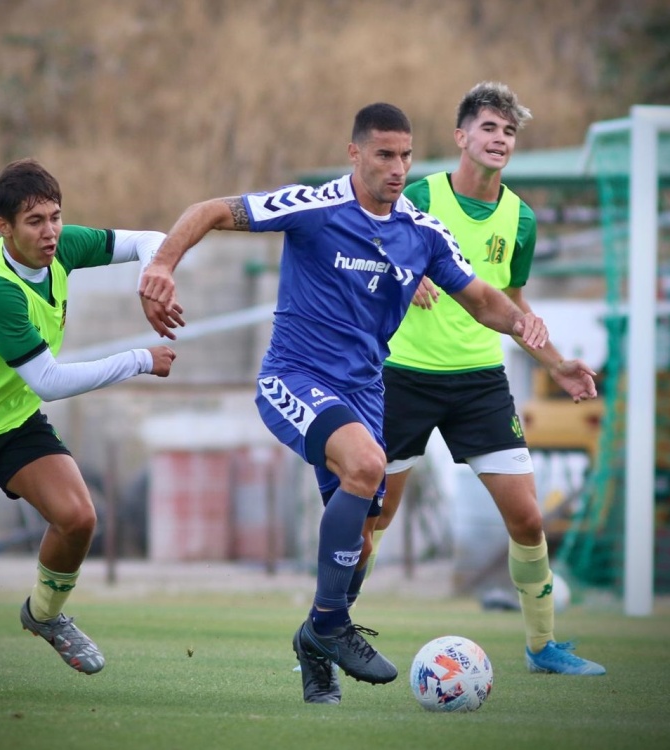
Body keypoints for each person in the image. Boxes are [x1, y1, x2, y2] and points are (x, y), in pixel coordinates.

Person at [138, 102, 550, 704]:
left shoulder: (422, 232)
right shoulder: (313, 206)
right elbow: (210, 211)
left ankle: (314, 644)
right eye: (385, 154)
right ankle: (331, 624)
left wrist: (523, 325)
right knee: (364, 465)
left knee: (360, 538)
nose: (398, 168)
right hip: (293, 378)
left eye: (406, 155)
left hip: (364, 393)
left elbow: (483, 298)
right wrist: (162, 265)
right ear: (354, 153)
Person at [0, 158, 179, 696]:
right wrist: (141, 359)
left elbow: (153, 239)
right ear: (2, 227)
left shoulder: (62, 248)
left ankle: (44, 615)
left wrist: (154, 280)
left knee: (78, 518)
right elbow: (48, 381)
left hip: (10, 418)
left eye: (54, 216)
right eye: (34, 221)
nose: (50, 231)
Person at [359, 82, 605, 676]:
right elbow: (365, 249)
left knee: (526, 517)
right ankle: (328, 631)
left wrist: (557, 363)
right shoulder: (417, 195)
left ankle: (543, 647)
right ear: (461, 136)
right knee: (374, 518)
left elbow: (512, 303)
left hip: (479, 384)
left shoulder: (520, 217)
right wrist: (401, 274)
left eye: (509, 131)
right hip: (403, 378)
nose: (500, 139)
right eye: (489, 128)